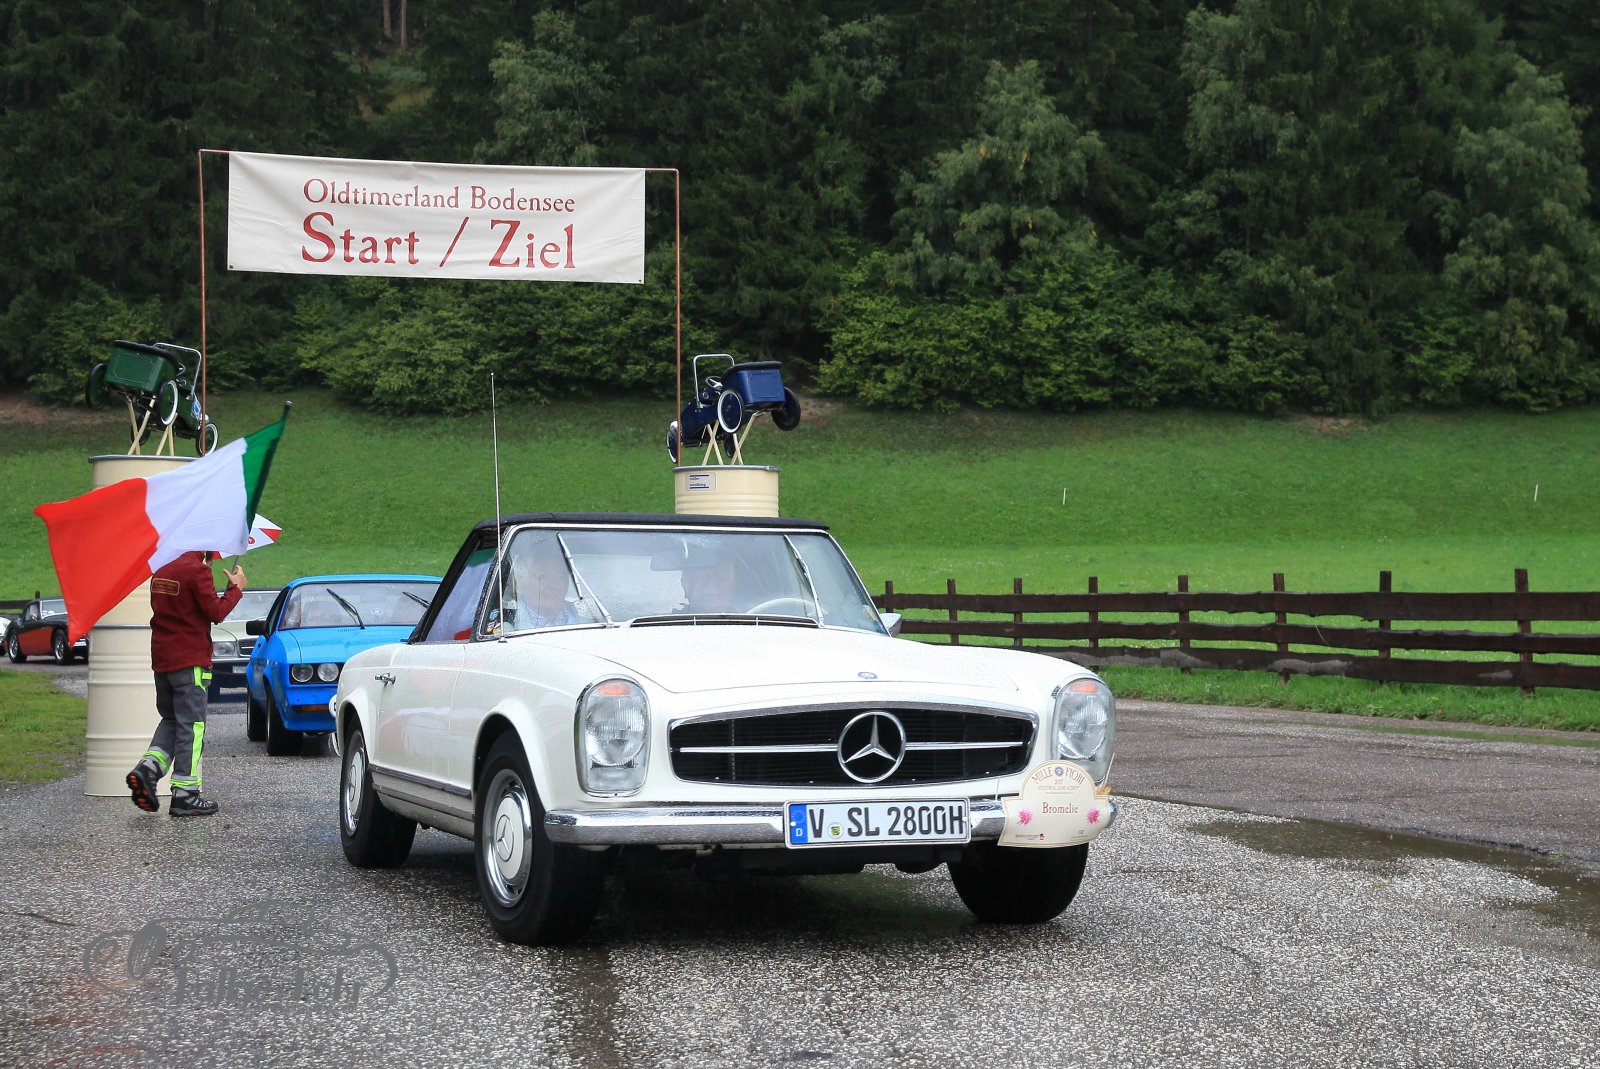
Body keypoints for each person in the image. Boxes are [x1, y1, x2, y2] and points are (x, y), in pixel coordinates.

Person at [125, 550, 246, 817]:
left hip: (163, 661)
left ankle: (148, 769)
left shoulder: (161, 570)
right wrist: (235, 590)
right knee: (192, 726)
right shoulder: (197, 571)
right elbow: (216, 612)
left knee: (172, 719)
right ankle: (185, 794)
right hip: (190, 662)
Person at [509, 543, 580, 629]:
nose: (553, 584)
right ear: (522, 583)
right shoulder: (508, 626)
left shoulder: (584, 623)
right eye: (543, 577)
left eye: (560, 577)